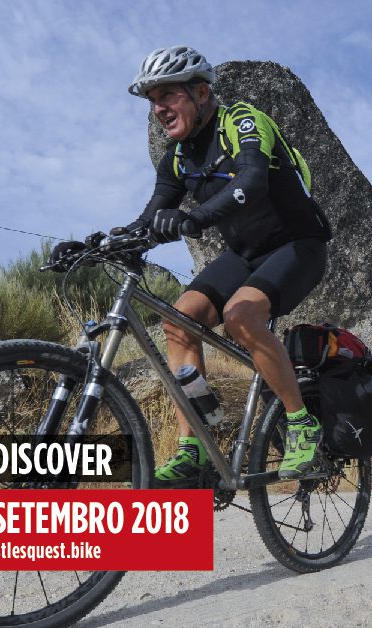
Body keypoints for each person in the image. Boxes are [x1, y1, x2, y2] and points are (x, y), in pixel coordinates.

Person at [52, 46, 332, 481]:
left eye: (168, 96)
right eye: (153, 101)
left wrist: (194, 217)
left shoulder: (241, 121)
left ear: (201, 92)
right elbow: (148, 219)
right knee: (179, 320)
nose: (159, 109)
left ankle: (302, 424)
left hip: (299, 244)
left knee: (241, 316)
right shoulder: (178, 158)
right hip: (245, 254)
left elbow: (253, 180)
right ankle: (196, 448)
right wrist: (98, 243)